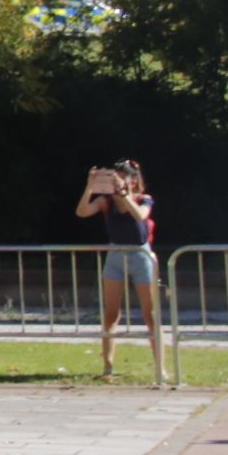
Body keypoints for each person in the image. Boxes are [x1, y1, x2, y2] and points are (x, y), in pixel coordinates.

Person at [80, 160, 158, 380]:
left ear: (132, 181)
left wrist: (125, 195)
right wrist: (90, 187)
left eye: (120, 178)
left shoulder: (144, 199)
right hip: (116, 255)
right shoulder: (106, 202)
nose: (115, 182)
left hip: (140, 254)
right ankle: (107, 367)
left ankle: (160, 367)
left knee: (150, 315)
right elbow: (82, 211)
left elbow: (140, 215)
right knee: (111, 314)